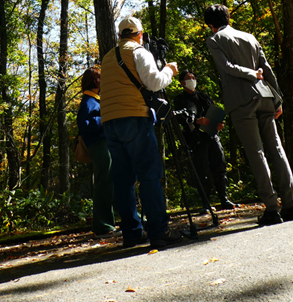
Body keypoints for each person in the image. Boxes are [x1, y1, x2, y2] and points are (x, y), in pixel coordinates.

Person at [204, 4, 293, 226]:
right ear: (228, 18)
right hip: (265, 97)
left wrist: (251, 75)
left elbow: (226, 67)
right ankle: (291, 204)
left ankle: (272, 208)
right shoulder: (249, 36)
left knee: (256, 151)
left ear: (210, 25)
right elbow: (266, 68)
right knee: (276, 148)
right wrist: (277, 99)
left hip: (241, 101)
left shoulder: (215, 40)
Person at [100, 16, 182, 250]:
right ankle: (159, 231)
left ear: (120, 35)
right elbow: (155, 82)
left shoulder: (107, 57)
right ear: (140, 34)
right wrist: (168, 70)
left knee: (123, 179)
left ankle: (132, 233)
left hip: (110, 121)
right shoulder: (138, 52)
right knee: (149, 174)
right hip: (134, 117)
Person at [173, 69, 238, 213]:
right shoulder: (180, 100)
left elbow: (213, 111)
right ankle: (205, 203)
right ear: (182, 82)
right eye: (189, 78)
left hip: (211, 135)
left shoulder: (203, 96)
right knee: (201, 171)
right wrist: (196, 121)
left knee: (220, 166)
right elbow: (179, 119)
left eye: (193, 77)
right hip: (196, 139)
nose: (192, 80)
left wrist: (218, 124)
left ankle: (224, 199)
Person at [77, 66, 116, 238]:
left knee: (112, 181)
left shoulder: (96, 100)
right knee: (103, 182)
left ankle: (113, 220)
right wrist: (104, 117)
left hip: (105, 143)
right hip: (98, 145)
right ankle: (103, 225)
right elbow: (85, 126)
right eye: (100, 78)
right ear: (94, 81)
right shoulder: (88, 101)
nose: (103, 81)